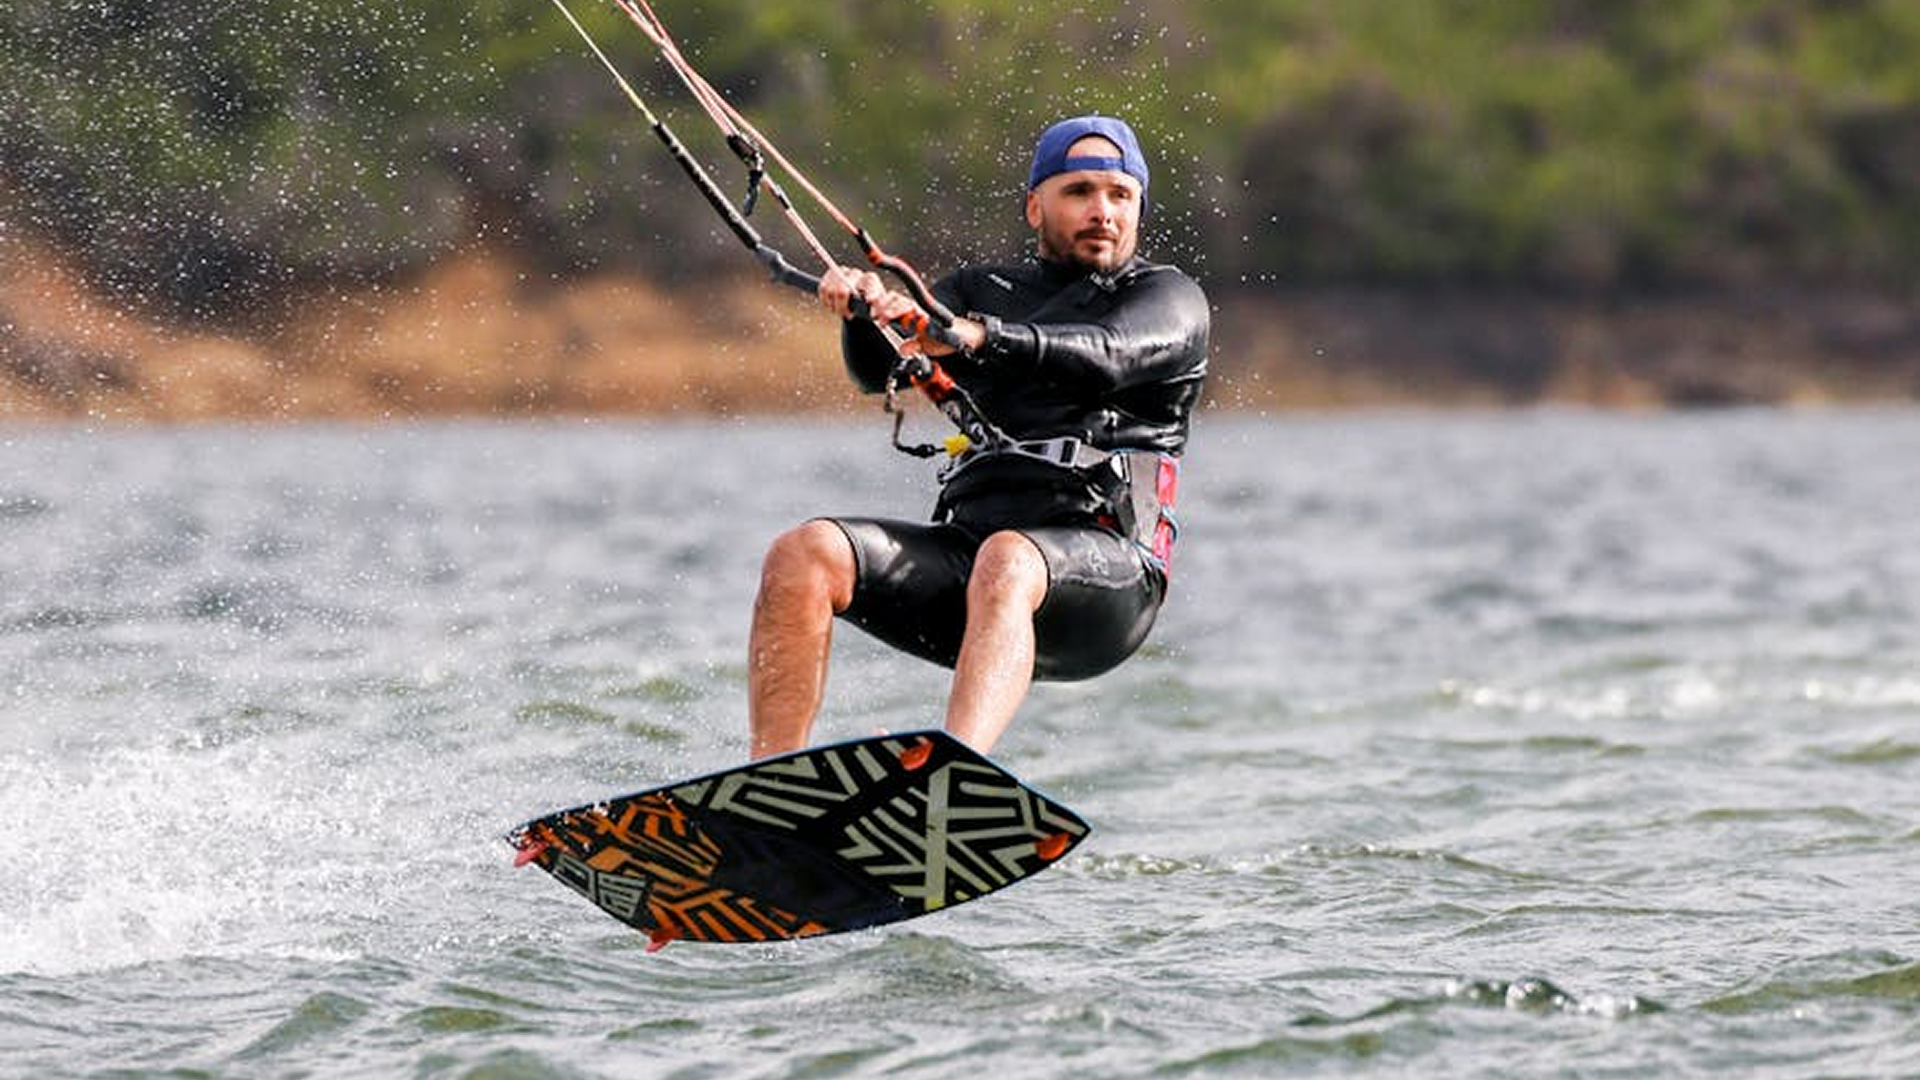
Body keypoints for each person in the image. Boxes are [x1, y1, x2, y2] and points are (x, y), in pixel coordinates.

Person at [747, 115, 1209, 759]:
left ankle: (955, 770)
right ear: (1034, 207)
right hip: (972, 567)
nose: (1102, 210)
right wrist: (861, 311)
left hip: (1109, 577)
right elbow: (877, 369)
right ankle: (771, 782)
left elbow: (1110, 354)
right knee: (804, 552)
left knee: (1009, 559)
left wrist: (976, 336)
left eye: (1118, 195)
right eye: (1079, 192)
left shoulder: (1167, 298)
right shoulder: (978, 290)